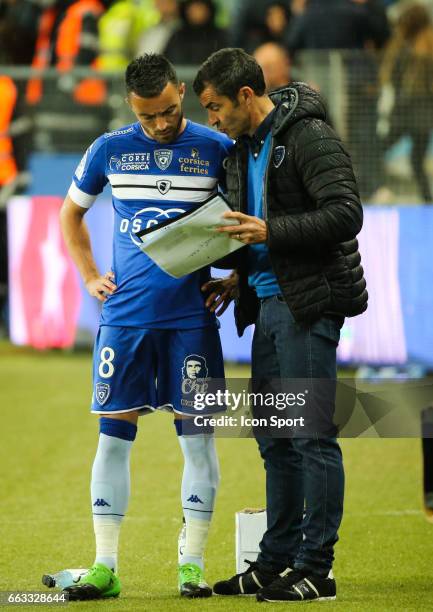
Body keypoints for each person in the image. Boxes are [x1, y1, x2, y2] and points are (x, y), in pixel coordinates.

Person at [193, 48, 367, 603]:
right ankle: (274, 564)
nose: (211, 119)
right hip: (266, 306)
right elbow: (254, 234)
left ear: (246, 95)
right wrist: (238, 280)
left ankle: (318, 568)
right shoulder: (242, 147)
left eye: (215, 106)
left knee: (312, 437)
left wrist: (270, 232)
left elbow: (345, 214)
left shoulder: (309, 135)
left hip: (307, 309)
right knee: (275, 440)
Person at [59, 53, 233, 600]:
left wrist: (232, 278)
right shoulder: (110, 149)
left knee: (198, 443)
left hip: (191, 322)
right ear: (131, 107)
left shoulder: (216, 148)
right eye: (147, 116)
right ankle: (105, 565)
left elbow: (249, 218)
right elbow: (71, 213)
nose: (160, 124)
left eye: (167, 111)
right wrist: (89, 275)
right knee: (112, 439)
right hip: (125, 321)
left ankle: (192, 565)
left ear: (181, 91)